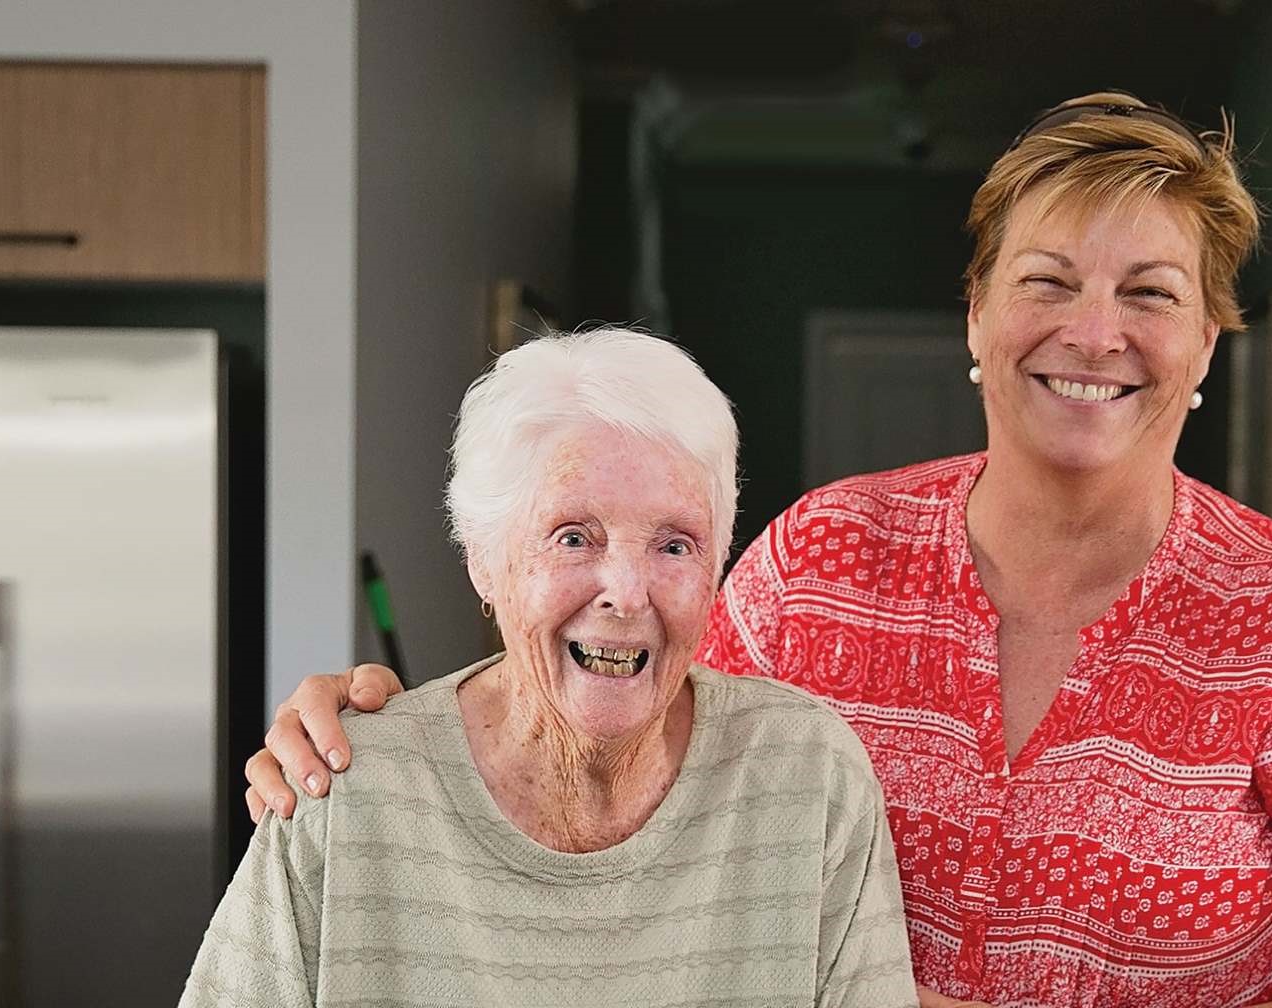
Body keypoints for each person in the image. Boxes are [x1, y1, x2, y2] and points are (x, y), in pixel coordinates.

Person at [249, 93, 1272, 1008]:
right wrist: (386, 730)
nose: (1093, 333)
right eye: (1046, 281)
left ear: (1206, 344)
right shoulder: (817, 561)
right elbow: (620, 776)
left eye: (1151, 294)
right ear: (978, 318)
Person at [183, 329, 916, 1006]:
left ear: (717, 566)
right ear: (482, 558)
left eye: (674, 545)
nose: (627, 596)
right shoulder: (346, 796)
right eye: (573, 537)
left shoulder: (807, 778)